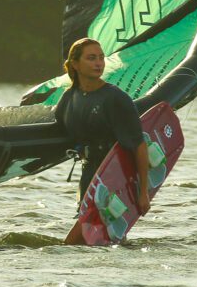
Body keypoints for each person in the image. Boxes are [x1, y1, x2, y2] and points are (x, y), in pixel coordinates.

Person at [54, 37, 151, 215]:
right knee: (85, 227)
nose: (99, 63)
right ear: (75, 64)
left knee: (105, 231)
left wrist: (144, 192)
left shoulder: (116, 98)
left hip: (115, 172)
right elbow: (58, 130)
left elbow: (139, 144)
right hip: (88, 171)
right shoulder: (69, 98)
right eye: (91, 58)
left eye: (101, 58)